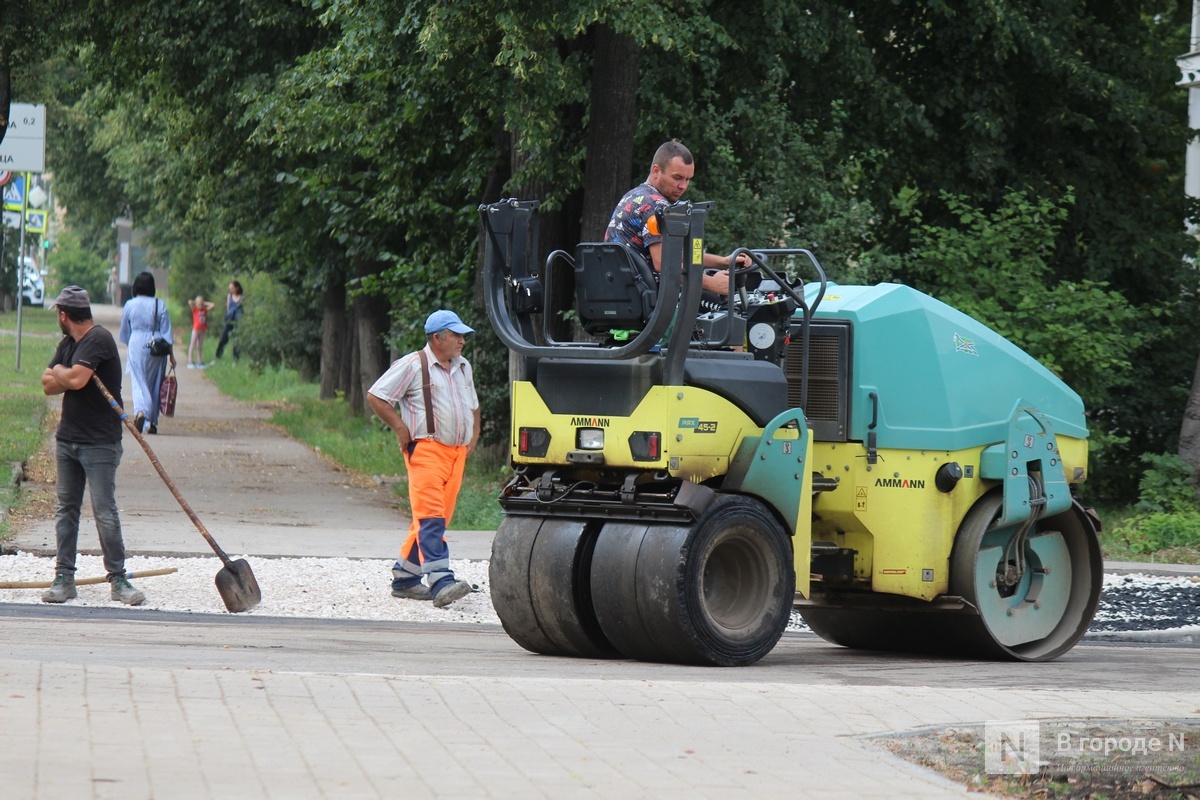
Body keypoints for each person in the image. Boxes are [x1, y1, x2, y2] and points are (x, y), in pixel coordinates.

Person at [367, 309, 481, 608]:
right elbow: (377, 396)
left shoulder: (463, 366)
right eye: (456, 335)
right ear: (437, 338)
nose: (462, 341)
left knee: (437, 517)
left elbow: (473, 404)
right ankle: (441, 581)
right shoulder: (413, 364)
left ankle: (405, 578)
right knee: (431, 517)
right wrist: (400, 428)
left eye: (463, 336)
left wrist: (475, 433)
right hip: (427, 450)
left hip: (456, 454)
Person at [40, 286, 146, 606]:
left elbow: (74, 380)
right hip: (67, 439)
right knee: (66, 511)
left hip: (100, 442)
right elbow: (47, 385)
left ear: (63, 315)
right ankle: (64, 578)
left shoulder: (98, 339)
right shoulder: (69, 344)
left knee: (105, 512)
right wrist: (66, 373)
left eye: (57, 315)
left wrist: (62, 372)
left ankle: (118, 579)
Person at [605, 140, 750, 311]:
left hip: (624, 293)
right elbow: (663, 263)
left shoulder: (635, 195)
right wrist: (711, 283)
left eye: (688, 179)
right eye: (677, 178)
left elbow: (676, 255)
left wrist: (723, 262)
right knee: (730, 309)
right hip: (648, 298)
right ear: (656, 171)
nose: (683, 186)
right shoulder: (656, 206)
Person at [119, 271, 176, 435]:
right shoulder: (160, 304)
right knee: (155, 383)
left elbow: (125, 331)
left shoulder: (130, 304)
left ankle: (141, 412)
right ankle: (151, 422)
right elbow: (167, 332)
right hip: (157, 346)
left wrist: (131, 342)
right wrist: (171, 356)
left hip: (136, 342)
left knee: (138, 381)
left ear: (136, 287)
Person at [213, 280, 243, 361]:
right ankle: (218, 356)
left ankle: (236, 359)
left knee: (236, 341)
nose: (230, 290)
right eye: (230, 288)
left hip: (238, 321)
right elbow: (228, 308)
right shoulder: (229, 296)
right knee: (223, 338)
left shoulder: (242, 297)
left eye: (232, 288)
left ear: (237, 288)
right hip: (229, 321)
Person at [187, 295, 216, 368]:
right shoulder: (195, 310)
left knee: (200, 346)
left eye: (201, 304)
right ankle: (190, 361)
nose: (200, 305)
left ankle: (199, 361)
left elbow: (212, 305)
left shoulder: (204, 310)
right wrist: (196, 302)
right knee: (192, 345)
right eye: (198, 304)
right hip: (195, 330)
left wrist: (204, 303)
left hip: (202, 330)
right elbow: (190, 302)